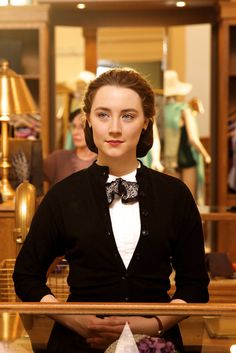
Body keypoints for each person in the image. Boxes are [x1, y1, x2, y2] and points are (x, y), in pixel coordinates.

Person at [13, 68, 209, 353]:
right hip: (77, 343)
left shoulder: (176, 195)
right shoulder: (62, 196)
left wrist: (148, 325)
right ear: (88, 121)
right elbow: (26, 276)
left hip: (156, 344)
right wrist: (79, 322)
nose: (114, 127)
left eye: (128, 116)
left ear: (146, 123)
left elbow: (194, 286)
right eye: (103, 114)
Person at [162, 70, 211, 202]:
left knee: (172, 202)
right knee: (189, 201)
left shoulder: (160, 112)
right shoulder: (184, 109)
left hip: (168, 160)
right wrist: (206, 155)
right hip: (186, 157)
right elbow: (193, 139)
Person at [44, 108, 97, 186]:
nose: (75, 132)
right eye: (74, 127)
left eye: (82, 126)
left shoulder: (108, 164)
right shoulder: (58, 158)